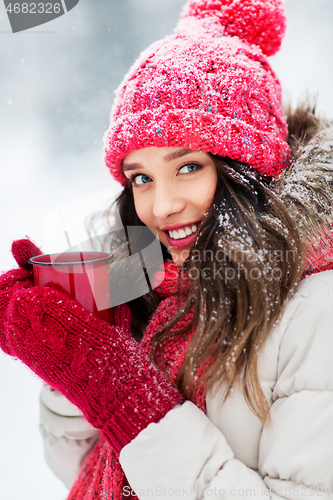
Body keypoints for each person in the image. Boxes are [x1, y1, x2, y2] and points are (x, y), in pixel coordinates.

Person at [1, 1, 333, 499]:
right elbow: (83, 471)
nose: (161, 206)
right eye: (141, 177)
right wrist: (79, 349)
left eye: (188, 167)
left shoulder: (314, 309)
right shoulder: (151, 279)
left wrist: (117, 386)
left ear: (246, 168)